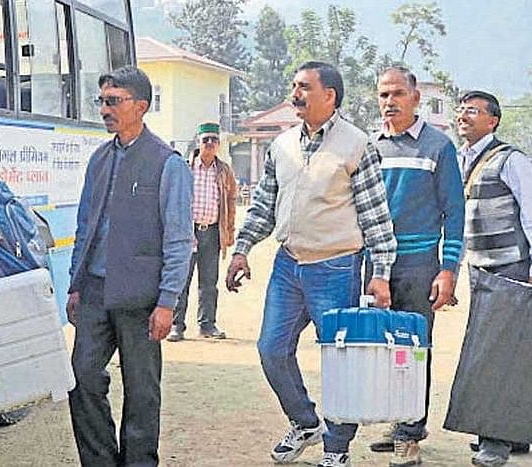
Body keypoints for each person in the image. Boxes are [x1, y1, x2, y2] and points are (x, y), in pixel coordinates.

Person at [225, 61, 398, 467]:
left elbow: (376, 216)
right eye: (294, 86)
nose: (295, 93)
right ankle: (304, 422)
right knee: (271, 349)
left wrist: (381, 275)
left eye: (303, 87)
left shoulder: (356, 145)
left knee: (339, 362)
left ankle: (336, 449)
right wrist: (241, 250)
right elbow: (265, 204)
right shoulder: (281, 145)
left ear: (329, 96)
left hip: (336, 267)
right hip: (288, 266)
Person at [66, 65, 193, 466]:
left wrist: (168, 301)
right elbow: (85, 226)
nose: (105, 109)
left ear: (141, 106)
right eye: (102, 101)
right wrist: (75, 284)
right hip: (95, 292)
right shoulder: (99, 159)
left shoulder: (167, 163)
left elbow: (178, 239)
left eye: (113, 101)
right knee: (81, 378)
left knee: (141, 392)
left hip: (141, 298)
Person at [364, 67, 464, 466]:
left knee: (415, 347)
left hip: (421, 264)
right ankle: (401, 421)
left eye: (397, 94)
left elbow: (454, 211)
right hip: (376, 264)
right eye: (383, 95)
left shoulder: (439, 146)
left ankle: (410, 434)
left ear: (416, 97)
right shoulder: (370, 146)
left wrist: (448, 268)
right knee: (386, 349)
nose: (390, 102)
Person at [443, 90, 532, 467]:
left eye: (473, 111)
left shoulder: (511, 161)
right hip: (480, 271)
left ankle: (493, 440)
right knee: (508, 356)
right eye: (461, 110)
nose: (464, 116)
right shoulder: (460, 160)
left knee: (494, 359)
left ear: (493, 120)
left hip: (510, 271)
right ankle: (514, 435)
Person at [167, 121, 236, 341]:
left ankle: (207, 325)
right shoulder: (185, 167)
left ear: (219, 144)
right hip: (187, 233)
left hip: (212, 233)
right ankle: (177, 325)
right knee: (180, 281)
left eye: (214, 140)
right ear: (198, 142)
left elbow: (231, 202)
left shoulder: (224, 171)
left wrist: (228, 232)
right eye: (205, 140)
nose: (209, 144)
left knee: (208, 283)